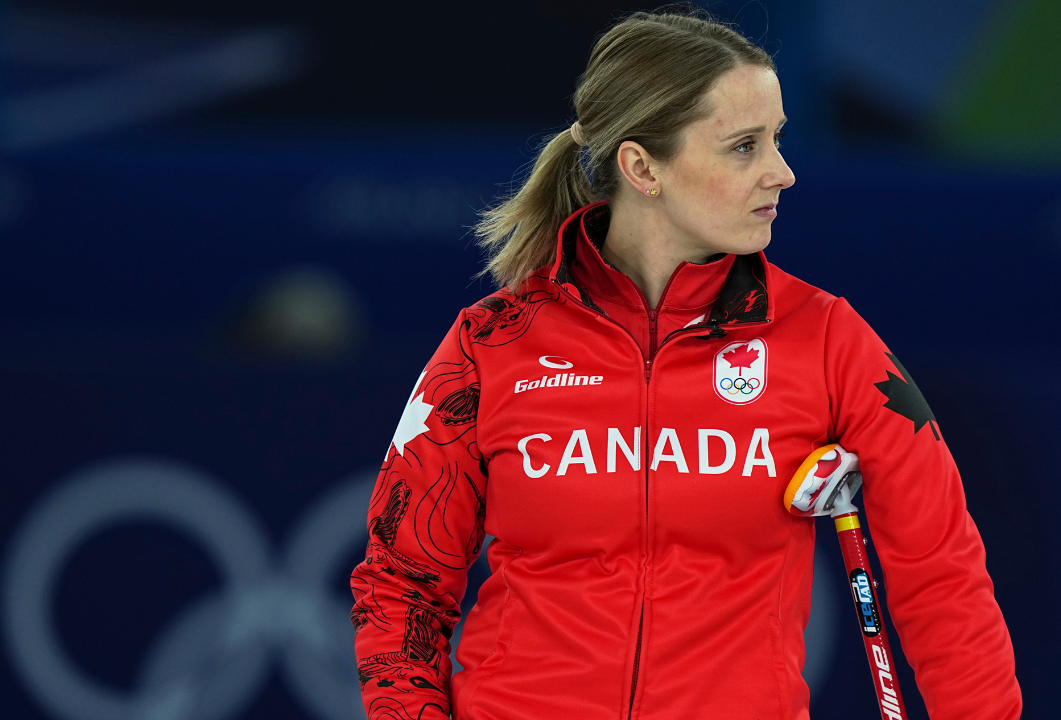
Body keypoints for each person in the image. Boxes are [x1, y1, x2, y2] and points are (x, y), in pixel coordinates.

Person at [349, 8, 1021, 720]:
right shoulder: (493, 344)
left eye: (778, 139)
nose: (783, 173)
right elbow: (402, 585)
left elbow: (942, 577)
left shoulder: (828, 340)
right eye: (743, 146)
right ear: (643, 168)